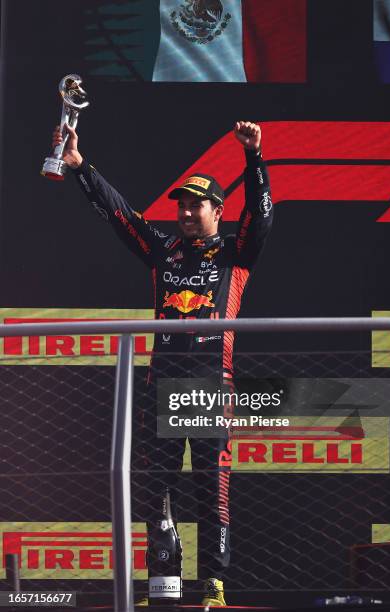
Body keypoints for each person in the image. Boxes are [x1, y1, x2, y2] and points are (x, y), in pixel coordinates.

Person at [51, 120, 272, 607]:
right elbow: (120, 214)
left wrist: (254, 159)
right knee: (158, 489)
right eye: (183, 204)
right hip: (162, 382)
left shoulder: (236, 251)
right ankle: (163, 586)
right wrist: (80, 167)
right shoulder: (164, 249)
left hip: (212, 383)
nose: (188, 212)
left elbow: (261, 216)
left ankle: (213, 585)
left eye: (198, 204)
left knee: (210, 486)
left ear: (218, 210)